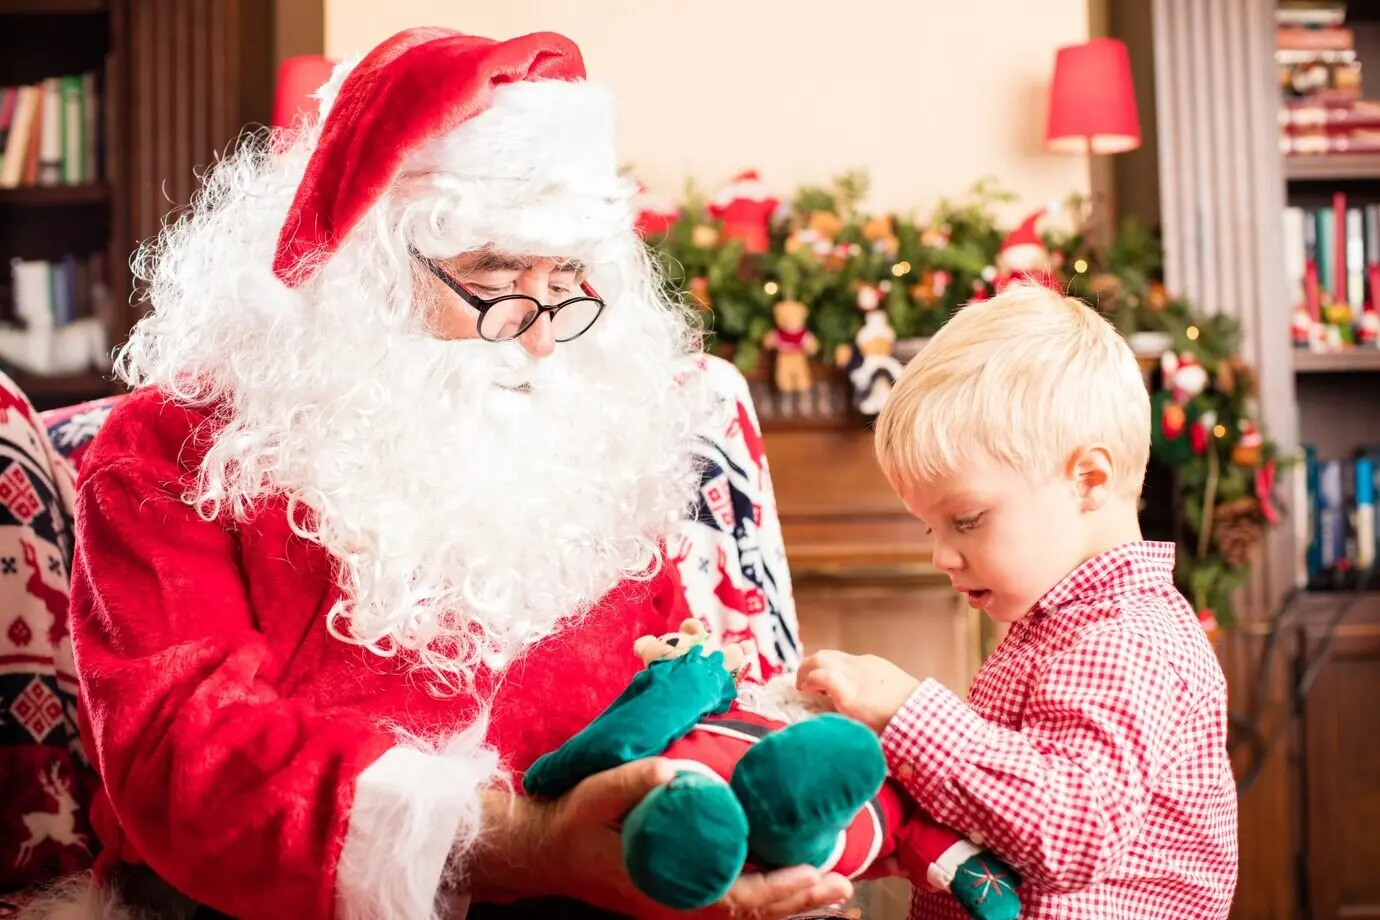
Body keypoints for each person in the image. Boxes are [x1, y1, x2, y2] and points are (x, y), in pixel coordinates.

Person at [30, 26, 855, 920]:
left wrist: (714, 820)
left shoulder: (588, 429)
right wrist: (516, 842)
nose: (541, 340)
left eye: (566, 283)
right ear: (366, 271)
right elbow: (187, 758)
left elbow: (664, 687)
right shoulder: (172, 450)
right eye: (496, 282)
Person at [795, 284, 1239, 919]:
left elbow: (1071, 833)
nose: (941, 556)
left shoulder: (1127, 641)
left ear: (1088, 480)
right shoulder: (1060, 626)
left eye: (966, 520)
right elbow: (1006, 802)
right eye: (930, 529)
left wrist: (908, 712)